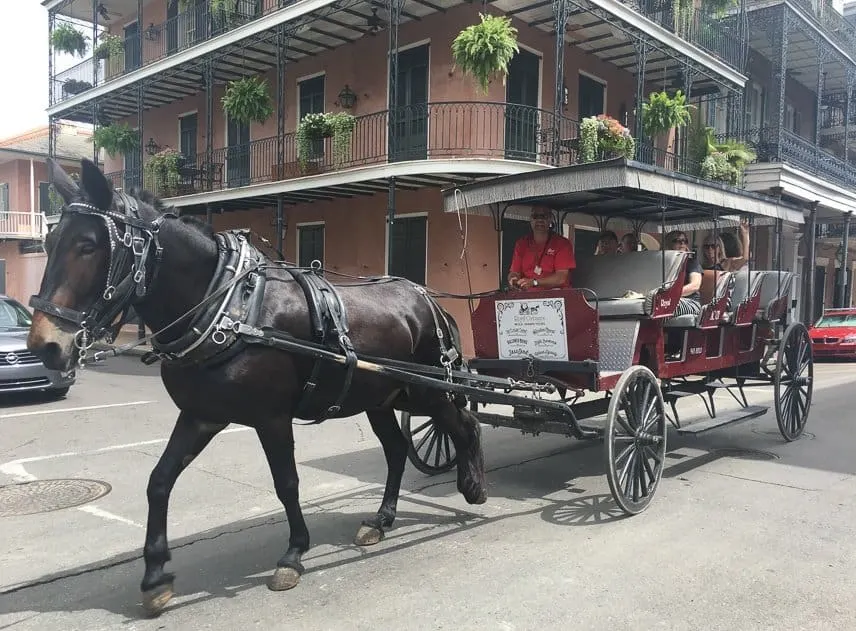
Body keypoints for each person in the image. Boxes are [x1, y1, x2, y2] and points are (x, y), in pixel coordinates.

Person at [507, 206, 576, 291]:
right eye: (536, 216)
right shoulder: (521, 243)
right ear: (531, 220)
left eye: (544, 216)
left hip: (556, 296)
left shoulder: (562, 244)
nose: (540, 220)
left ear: (550, 219)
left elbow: (561, 278)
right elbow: (514, 272)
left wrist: (534, 282)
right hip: (527, 296)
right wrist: (514, 279)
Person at [663, 229, 702, 316]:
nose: (682, 244)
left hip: (691, 302)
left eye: (685, 241)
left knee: (664, 307)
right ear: (668, 245)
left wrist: (671, 295)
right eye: (677, 241)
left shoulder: (691, 262)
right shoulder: (663, 264)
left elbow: (695, 285)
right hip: (668, 300)